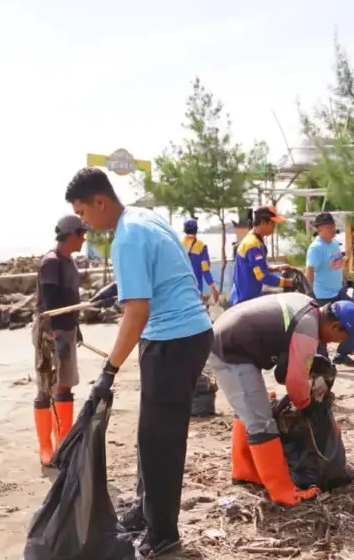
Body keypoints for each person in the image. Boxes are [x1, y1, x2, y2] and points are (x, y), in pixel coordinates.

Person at [64, 167, 213, 558]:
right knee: (151, 432)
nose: (84, 222)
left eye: (82, 213)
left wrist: (109, 371)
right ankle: (145, 509)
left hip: (172, 340)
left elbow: (137, 313)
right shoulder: (145, 218)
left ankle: (163, 534)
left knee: (159, 441)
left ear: (100, 201)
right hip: (185, 333)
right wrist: (119, 287)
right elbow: (168, 271)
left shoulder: (126, 237)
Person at [207, 294, 354, 505]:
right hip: (228, 348)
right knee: (261, 421)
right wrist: (307, 406)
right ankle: (283, 492)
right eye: (344, 338)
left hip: (230, 335)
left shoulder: (307, 306)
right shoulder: (308, 330)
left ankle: (246, 471)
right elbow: (295, 384)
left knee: (250, 406)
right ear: (335, 326)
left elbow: (284, 367)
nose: (341, 343)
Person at [31, 214, 87, 466]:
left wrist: (76, 327)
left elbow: (70, 300)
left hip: (67, 328)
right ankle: (45, 447)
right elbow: (52, 305)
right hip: (50, 332)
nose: (84, 238)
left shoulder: (69, 262)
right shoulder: (51, 262)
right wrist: (55, 338)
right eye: (81, 234)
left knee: (65, 385)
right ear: (71, 234)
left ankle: (63, 442)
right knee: (46, 385)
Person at [305, 212, 354, 368]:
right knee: (321, 331)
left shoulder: (334, 243)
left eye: (333, 226)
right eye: (328, 227)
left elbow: (338, 264)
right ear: (319, 229)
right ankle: (324, 362)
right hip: (321, 296)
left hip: (339, 292)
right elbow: (309, 272)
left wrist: (346, 278)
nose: (332, 229)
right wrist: (308, 294)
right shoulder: (316, 248)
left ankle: (342, 355)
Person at [230, 205, 292, 305]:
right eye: (273, 224)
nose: (274, 228)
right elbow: (262, 276)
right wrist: (287, 283)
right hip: (244, 300)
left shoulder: (255, 239)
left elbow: (256, 267)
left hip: (246, 295)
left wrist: (275, 268)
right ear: (263, 222)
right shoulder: (253, 245)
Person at [182, 219, 219, 303]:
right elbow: (205, 268)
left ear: (184, 230)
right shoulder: (201, 246)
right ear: (196, 230)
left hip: (181, 288)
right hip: (196, 287)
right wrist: (213, 287)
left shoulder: (179, 244)